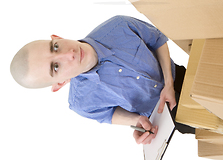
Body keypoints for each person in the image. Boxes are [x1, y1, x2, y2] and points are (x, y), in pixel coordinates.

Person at [10, 15, 194, 144]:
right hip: (168, 116)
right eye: (56, 67)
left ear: (57, 37)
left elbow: (157, 40)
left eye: (56, 47)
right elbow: (109, 115)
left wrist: (169, 83)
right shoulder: (80, 103)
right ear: (59, 83)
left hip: (184, 77)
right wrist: (137, 122)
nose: (70, 54)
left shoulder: (118, 25)